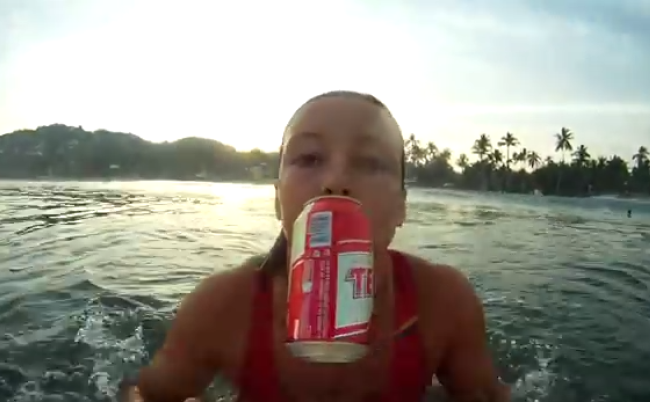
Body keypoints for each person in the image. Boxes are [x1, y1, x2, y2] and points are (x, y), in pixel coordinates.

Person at [121, 90, 511, 402]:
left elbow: (486, 395)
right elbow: (145, 393)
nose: (336, 180)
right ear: (278, 200)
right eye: (308, 158)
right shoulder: (224, 306)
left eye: (371, 163)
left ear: (400, 207)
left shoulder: (443, 302)